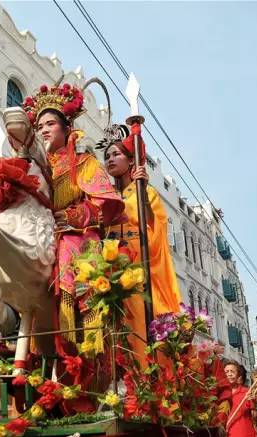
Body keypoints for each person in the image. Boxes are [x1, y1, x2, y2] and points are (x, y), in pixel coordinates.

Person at [22, 84, 124, 410]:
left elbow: (104, 204)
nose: (43, 130)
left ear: (67, 128)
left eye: (50, 124)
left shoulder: (84, 163)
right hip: (43, 239)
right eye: (39, 126)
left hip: (77, 240)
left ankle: (85, 370)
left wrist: (72, 215)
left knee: (70, 258)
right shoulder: (36, 167)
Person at [101, 124, 181, 362]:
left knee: (146, 321)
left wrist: (143, 190)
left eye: (116, 154)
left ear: (130, 160)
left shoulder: (145, 192)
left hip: (140, 268)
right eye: (107, 156)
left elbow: (155, 228)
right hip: (111, 271)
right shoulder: (106, 197)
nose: (110, 159)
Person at [225, 361, 257, 437]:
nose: (229, 374)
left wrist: (254, 402)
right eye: (227, 372)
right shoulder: (219, 393)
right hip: (225, 433)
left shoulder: (247, 392)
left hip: (244, 433)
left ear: (238, 375)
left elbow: (255, 416)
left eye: (232, 371)